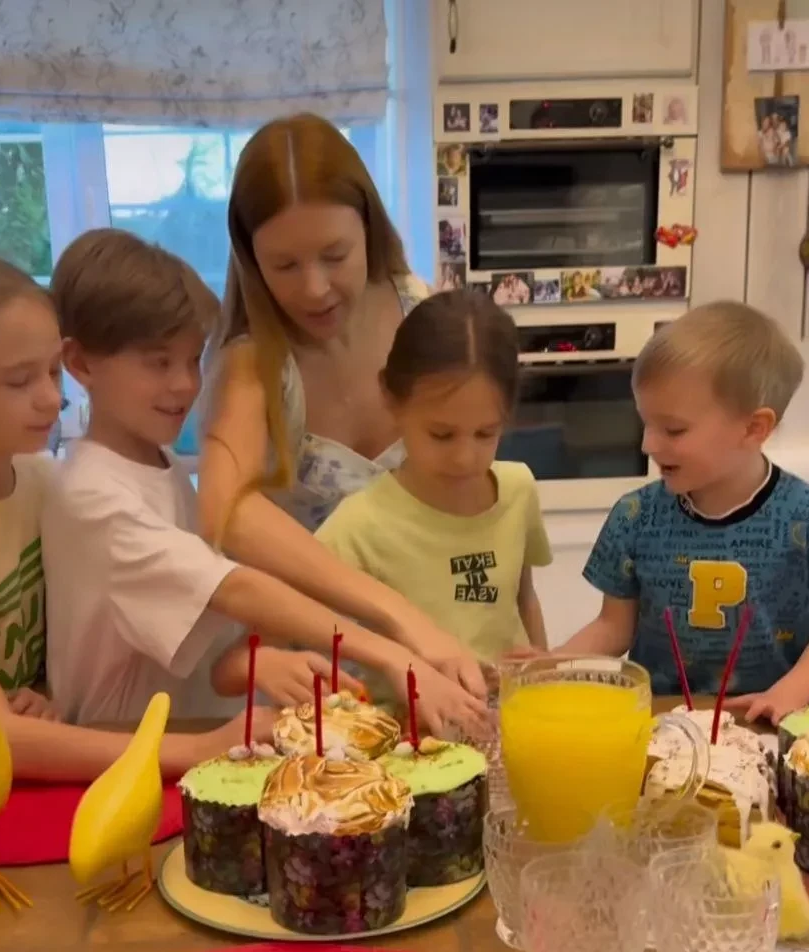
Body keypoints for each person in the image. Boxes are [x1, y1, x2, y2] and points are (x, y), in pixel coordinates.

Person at [44, 230, 486, 741]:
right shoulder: (91, 496)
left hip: (189, 735)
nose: (185, 384)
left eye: (192, 360)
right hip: (124, 749)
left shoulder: (159, 464)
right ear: (80, 364)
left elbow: (196, 629)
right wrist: (395, 650)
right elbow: (234, 588)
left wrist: (262, 660)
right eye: (158, 363)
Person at [0, 250, 265, 781]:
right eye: (19, 381)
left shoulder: (40, 479)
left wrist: (41, 696)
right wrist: (201, 749)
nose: (50, 399)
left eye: (51, 373)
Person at [195, 113, 485, 698]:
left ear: (369, 230)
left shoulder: (425, 317)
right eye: (284, 266)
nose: (314, 288)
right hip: (325, 677)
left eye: (334, 255)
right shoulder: (252, 361)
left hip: (446, 655)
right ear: (250, 260)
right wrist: (399, 619)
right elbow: (225, 512)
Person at [558, 301, 809, 723]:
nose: (648, 444)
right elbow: (612, 627)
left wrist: (784, 696)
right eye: (645, 423)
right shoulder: (634, 515)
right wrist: (550, 667)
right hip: (663, 723)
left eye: (673, 429)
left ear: (753, 428)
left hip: (771, 723)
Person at [308, 291, 551, 693]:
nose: (464, 458)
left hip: (510, 711)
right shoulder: (359, 524)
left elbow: (524, 597)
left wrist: (542, 668)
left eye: (485, 434)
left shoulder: (517, 488)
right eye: (441, 434)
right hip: (411, 723)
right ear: (391, 399)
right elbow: (290, 621)